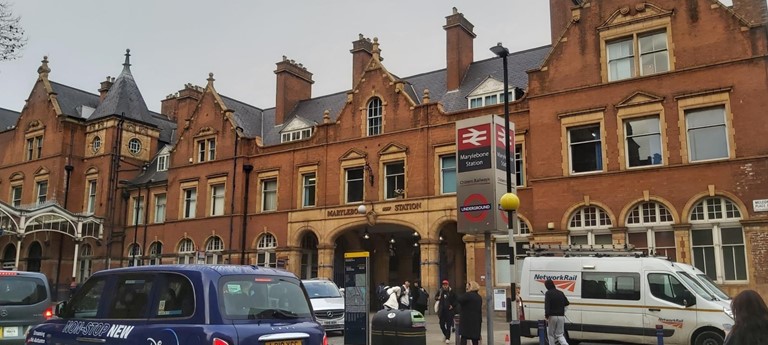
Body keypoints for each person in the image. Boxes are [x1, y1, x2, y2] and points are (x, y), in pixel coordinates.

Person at [544, 279, 570, 345]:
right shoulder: (560, 292)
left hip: (552, 316)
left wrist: (546, 316)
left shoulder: (548, 293)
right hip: (561, 316)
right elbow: (567, 303)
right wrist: (563, 312)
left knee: (551, 335)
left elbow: (547, 306)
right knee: (560, 335)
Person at [457, 281, 482, 345]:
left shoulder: (468, 295)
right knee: (475, 339)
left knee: (464, 337)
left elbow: (459, 299)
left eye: (467, 287)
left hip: (467, 320)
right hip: (476, 320)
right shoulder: (479, 297)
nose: (466, 289)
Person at [436, 279, 457, 343]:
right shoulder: (440, 291)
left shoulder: (452, 292)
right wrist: (438, 298)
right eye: (444, 285)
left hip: (449, 311)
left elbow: (456, 300)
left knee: (448, 325)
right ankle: (446, 335)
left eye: (446, 285)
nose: (445, 286)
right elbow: (436, 297)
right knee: (441, 325)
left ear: (448, 285)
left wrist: (452, 306)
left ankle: (448, 338)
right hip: (442, 311)